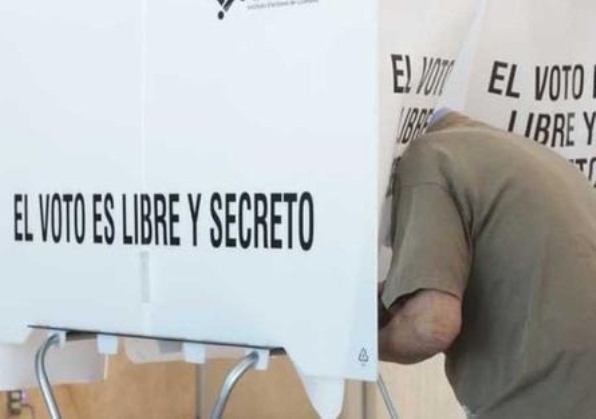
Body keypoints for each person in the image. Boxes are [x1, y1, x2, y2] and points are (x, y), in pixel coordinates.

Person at [378, 111, 596, 418]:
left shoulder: (426, 157)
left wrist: (356, 347)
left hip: (545, 402)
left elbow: (430, 325)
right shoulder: (524, 153)